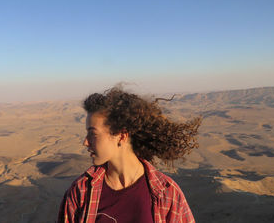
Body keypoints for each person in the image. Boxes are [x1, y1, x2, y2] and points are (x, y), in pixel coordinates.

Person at [58, 87, 201, 222]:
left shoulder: (168, 193)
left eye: (92, 134)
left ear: (121, 136)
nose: (85, 142)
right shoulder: (81, 191)